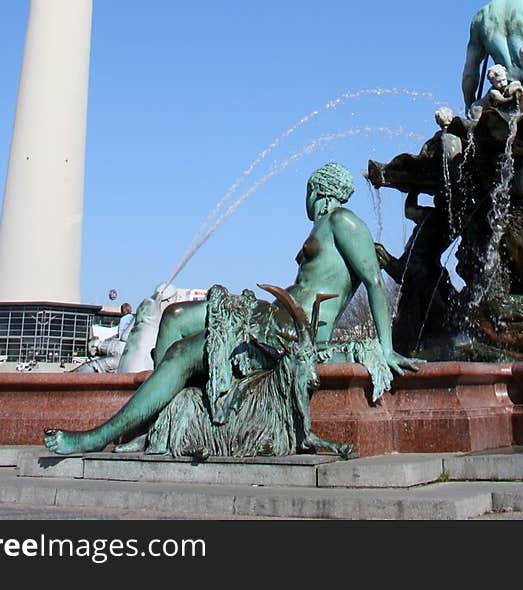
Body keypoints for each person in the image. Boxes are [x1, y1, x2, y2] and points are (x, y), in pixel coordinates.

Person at [45, 163, 418, 454]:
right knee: (174, 317)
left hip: (289, 334)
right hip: (270, 316)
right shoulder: (323, 227)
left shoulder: (343, 221)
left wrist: (384, 347)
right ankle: (151, 426)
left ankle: (96, 437)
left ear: (318, 190)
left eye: (306, 192)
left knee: (181, 354)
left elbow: (373, 281)